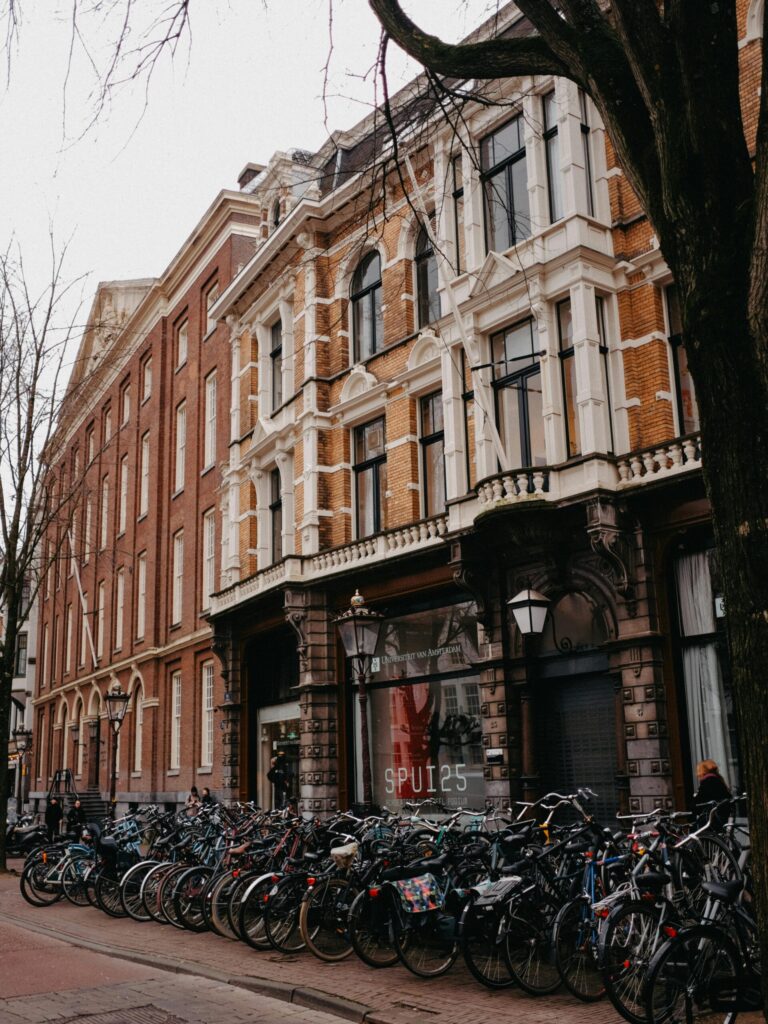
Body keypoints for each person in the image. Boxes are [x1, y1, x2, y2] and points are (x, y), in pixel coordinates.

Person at [693, 759, 732, 824]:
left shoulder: (707, 782)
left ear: (702, 771)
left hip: (712, 820)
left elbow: (698, 803)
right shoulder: (718, 780)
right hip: (722, 818)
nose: (697, 775)